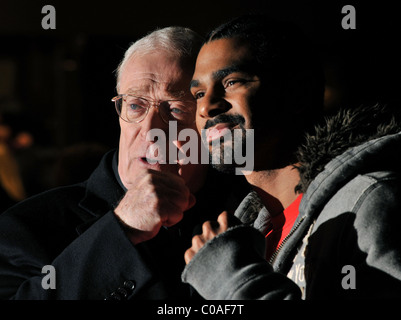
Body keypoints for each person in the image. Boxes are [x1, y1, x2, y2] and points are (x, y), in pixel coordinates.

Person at [0, 26, 247, 300]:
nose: (150, 129)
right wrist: (121, 230)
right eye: (135, 106)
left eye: (176, 109)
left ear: (206, 120)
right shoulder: (27, 228)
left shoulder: (251, 211)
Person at [182, 14, 401, 299]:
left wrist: (236, 284)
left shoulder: (371, 201)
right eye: (198, 93)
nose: (207, 106)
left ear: (296, 93)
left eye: (232, 82)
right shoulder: (245, 234)